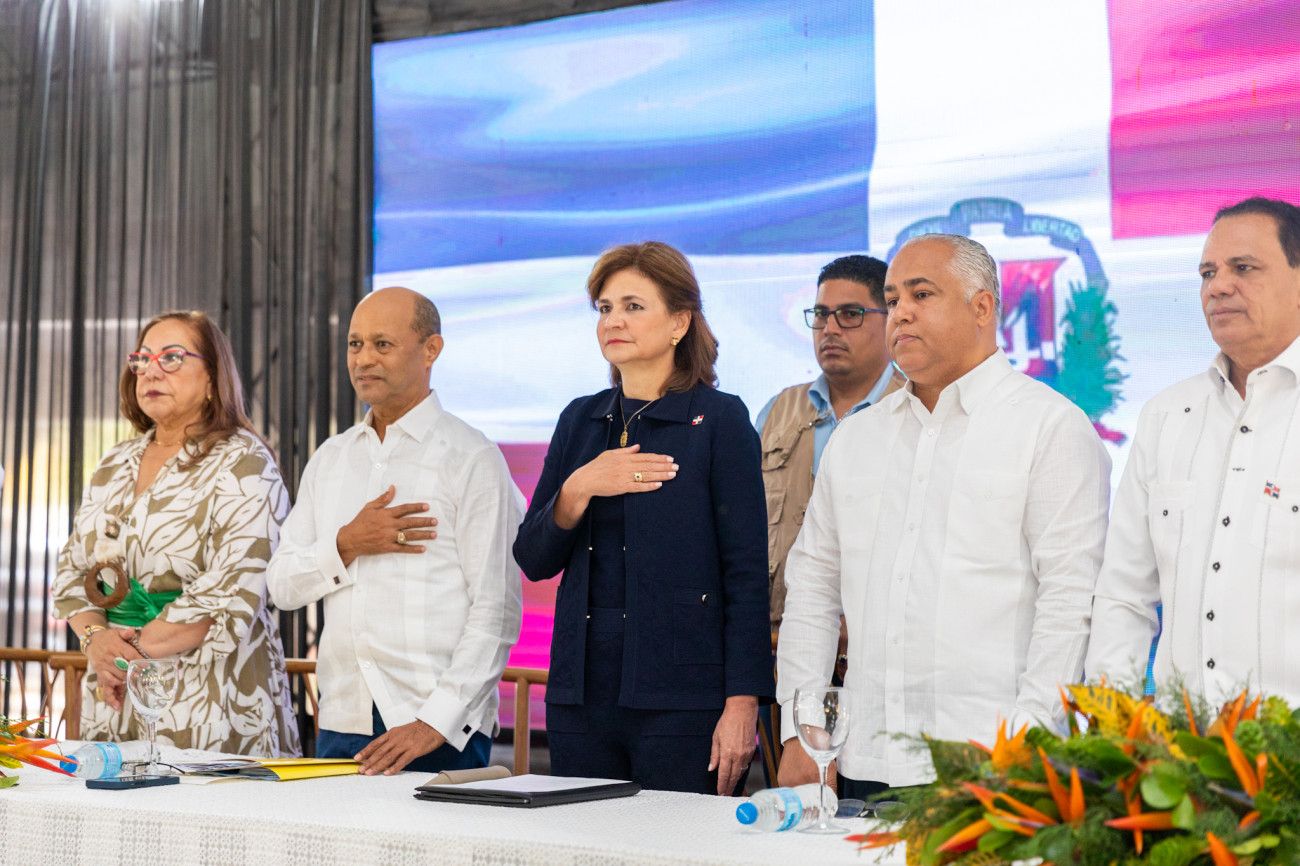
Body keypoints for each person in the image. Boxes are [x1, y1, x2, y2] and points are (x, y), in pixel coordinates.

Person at [776, 233, 1111, 798]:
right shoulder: (857, 438)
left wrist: (1028, 739)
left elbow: (1071, 601)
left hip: (995, 765)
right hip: (861, 762)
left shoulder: (1049, 428)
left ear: (982, 307)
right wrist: (801, 730)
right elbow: (812, 590)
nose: (900, 313)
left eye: (921, 294)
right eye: (892, 299)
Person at [513, 241, 773, 796]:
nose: (614, 321)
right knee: (581, 840)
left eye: (633, 306)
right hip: (580, 695)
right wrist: (579, 487)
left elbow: (747, 575)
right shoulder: (579, 419)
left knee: (678, 840)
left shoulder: (720, 420)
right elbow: (533, 559)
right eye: (605, 308)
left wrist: (742, 702)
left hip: (684, 697)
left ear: (679, 321)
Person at [266, 287, 523, 776]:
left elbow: (497, 611)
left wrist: (434, 721)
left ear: (431, 350)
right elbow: (281, 586)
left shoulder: (472, 457)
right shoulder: (331, 458)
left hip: (437, 726)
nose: (364, 359)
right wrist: (347, 543)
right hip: (342, 716)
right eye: (355, 344)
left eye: (382, 344)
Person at [53, 311, 300, 756]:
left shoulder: (243, 461)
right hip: (113, 688)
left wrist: (125, 653)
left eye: (171, 357)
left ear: (213, 378)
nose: (150, 370)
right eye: (142, 359)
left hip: (209, 692)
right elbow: (72, 570)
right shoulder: (114, 462)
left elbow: (232, 587)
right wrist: (96, 642)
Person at [1087, 197, 1300, 705]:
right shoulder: (1166, 416)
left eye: (1243, 268)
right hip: (1179, 747)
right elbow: (1124, 595)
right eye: (1208, 272)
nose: (1218, 286)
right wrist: (1114, 726)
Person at [756, 254, 905, 627]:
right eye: (821, 314)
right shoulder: (776, 411)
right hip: (778, 637)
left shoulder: (916, 409)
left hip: (881, 637)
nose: (830, 329)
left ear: (890, 320)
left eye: (850, 314)